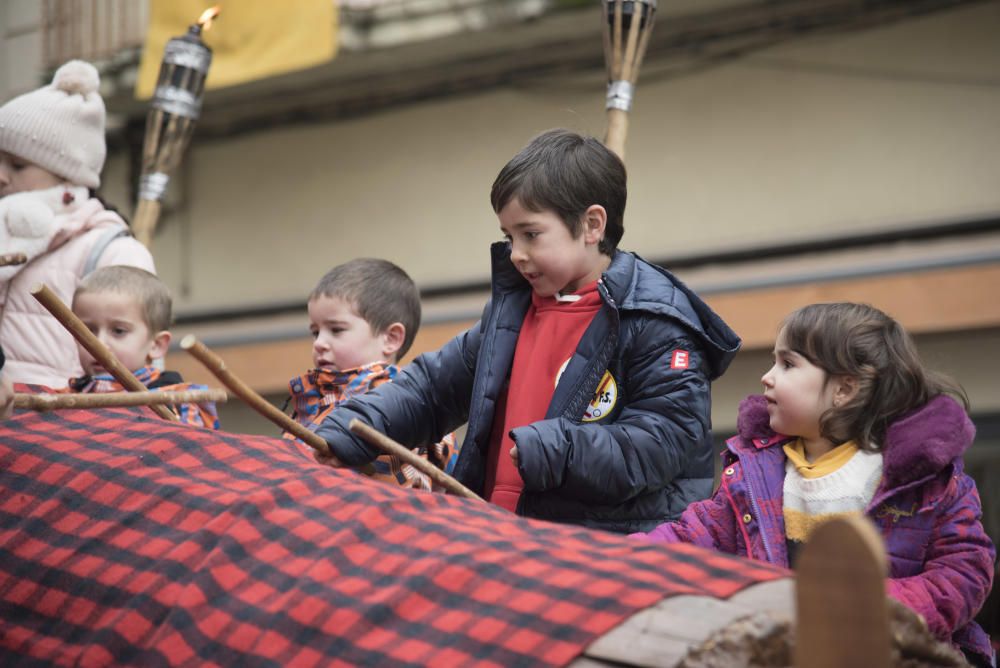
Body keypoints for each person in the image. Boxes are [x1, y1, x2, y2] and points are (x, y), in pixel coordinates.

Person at [315, 129, 741, 533]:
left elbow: (661, 443)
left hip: (607, 556)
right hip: (503, 539)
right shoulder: (511, 313)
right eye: (508, 236)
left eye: (531, 234)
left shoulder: (656, 321)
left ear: (593, 225)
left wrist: (556, 448)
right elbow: (429, 389)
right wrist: (343, 431)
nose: (516, 254)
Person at [636, 302, 995, 665]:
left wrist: (874, 612)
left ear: (844, 389)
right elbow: (693, 536)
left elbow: (963, 571)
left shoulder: (925, 480)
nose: (768, 376)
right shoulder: (754, 475)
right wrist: (626, 555)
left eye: (788, 364)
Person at [0, 60, 155, 388]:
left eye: (17, 164)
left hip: (68, 425)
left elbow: (140, 370)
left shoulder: (113, 250)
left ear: (69, 173)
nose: (1, 176)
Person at [285, 258, 457, 489]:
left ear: (391, 338)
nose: (319, 343)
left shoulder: (416, 406)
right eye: (315, 332)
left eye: (336, 330)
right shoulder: (312, 402)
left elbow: (452, 476)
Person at [69, 266, 219, 429]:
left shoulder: (178, 401)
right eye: (88, 331)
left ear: (156, 345)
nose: (98, 344)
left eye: (118, 331)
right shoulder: (64, 398)